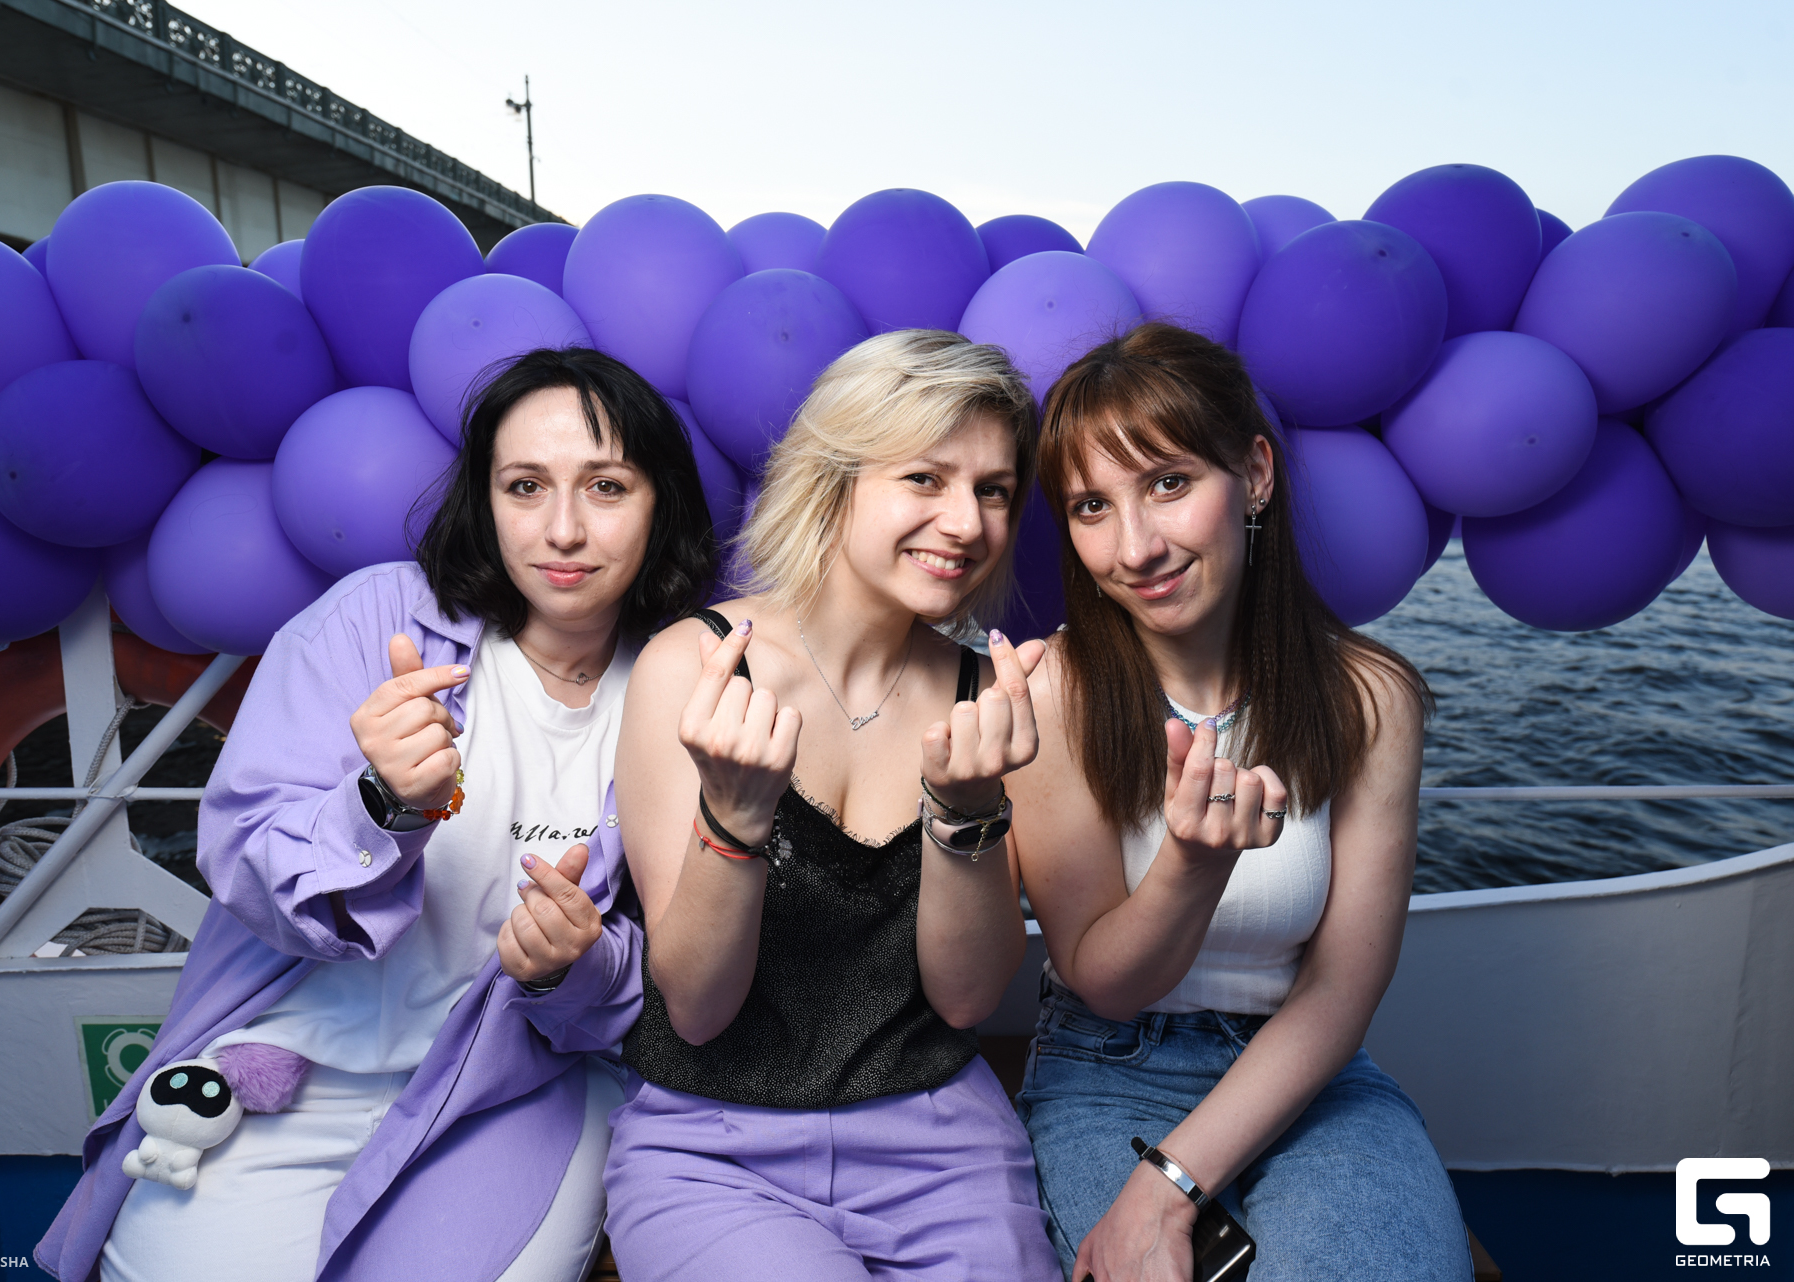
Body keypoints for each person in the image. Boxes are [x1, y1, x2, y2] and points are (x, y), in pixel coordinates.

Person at [37, 347, 717, 1282]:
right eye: (525, 487)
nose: (563, 530)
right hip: (288, 1063)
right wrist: (381, 805)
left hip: (514, 1083)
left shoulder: (687, 682)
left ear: (660, 504)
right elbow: (244, 866)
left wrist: (578, 965)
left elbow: (695, 970)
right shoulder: (373, 620)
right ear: (484, 500)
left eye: (606, 487)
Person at [1008, 323, 1473, 1282]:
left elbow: (1343, 989)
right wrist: (1193, 867)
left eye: (1168, 484)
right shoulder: (1054, 692)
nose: (1135, 547)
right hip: (1106, 1071)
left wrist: (1167, 1185)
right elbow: (1105, 983)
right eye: (1092, 506)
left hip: (1308, 1077)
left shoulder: (1370, 697)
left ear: (1255, 474)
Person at [605, 329, 1062, 1282]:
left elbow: (969, 999)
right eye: (925, 478)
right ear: (836, 478)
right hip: (714, 1148)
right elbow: (696, 1008)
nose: (967, 522)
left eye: (993, 490)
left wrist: (967, 811)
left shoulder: (991, 695)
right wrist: (735, 816)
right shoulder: (692, 668)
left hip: (940, 1143)